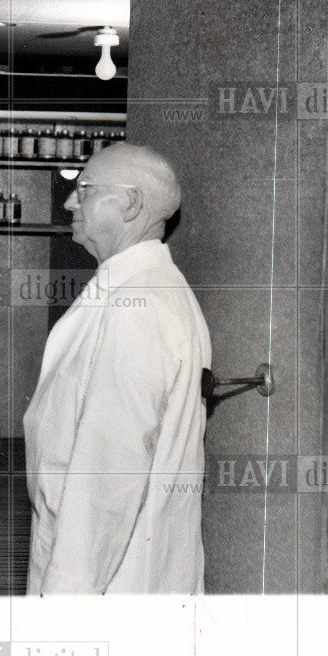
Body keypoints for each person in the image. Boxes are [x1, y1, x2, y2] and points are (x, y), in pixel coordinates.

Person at [24, 143, 212, 594]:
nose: (70, 201)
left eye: (84, 189)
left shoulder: (138, 305)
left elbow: (108, 473)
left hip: (103, 580)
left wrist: (66, 599)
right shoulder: (131, 286)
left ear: (130, 203)